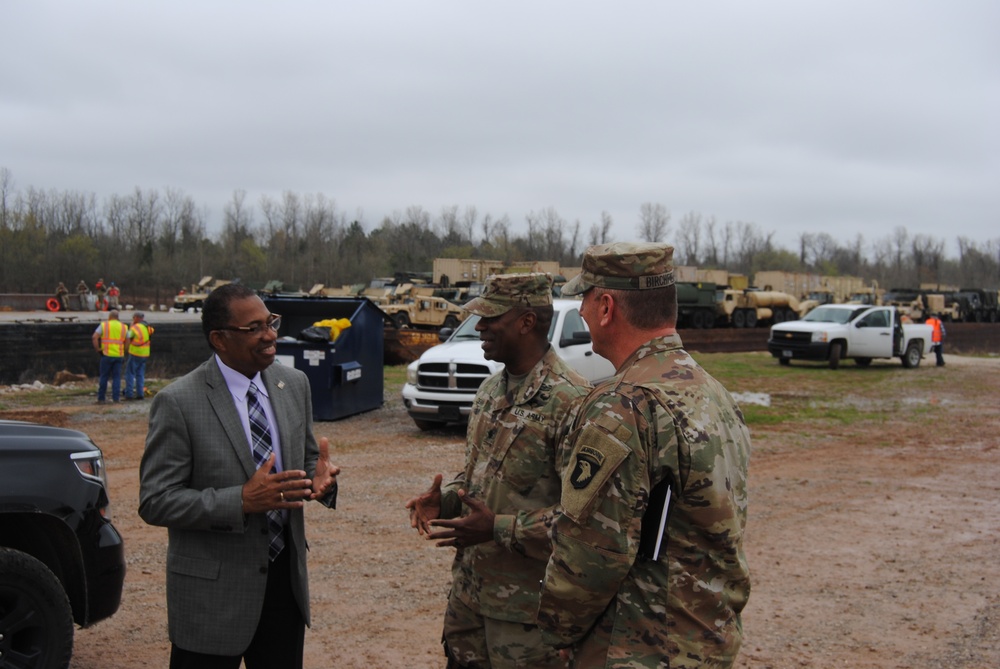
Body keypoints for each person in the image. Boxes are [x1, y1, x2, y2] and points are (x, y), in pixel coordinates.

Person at [536, 242, 752, 668]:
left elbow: (593, 554)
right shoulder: (713, 392)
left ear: (606, 306)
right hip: (704, 640)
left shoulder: (624, 404)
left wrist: (557, 631)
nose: (579, 310)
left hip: (638, 647)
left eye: (584, 297)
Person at [138, 282, 339, 668]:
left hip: (284, 588)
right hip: (212, 596)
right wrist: (241, 501)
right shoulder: (178, 402)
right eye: (254, 328)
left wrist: (322, 483)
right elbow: (155, 500)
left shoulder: (293, 384)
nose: (270, 335)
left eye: (271, 322)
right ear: (220, 339)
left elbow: (312, 460)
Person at [406, 272, 592, 669]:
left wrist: (498, 529)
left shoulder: (572, 403)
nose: (480, 326)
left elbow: (585, 523)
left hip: (528, 621)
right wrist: (447, 499)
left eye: (492, 317)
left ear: (526, 322)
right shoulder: (492, 390)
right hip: (470, 605)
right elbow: (480, 476)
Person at [91, 309, 128, 403]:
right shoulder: (124, 327)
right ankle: (116, 398)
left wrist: (97, 349)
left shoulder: (104, 325)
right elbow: (128, 340)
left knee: (104, 377)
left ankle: (101, 398)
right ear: (118, 317)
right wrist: (124, 350)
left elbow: (94, 337)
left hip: (106, 354)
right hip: (119, 355)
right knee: (116, 377)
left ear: (110, 317)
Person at [124, 311, 153, 400]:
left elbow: (128, 336)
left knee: (130, 373)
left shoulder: (135, 328)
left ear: (136, 318)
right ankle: (140, 394)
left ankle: (129, 394)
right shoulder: (148, 327)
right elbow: (150, 333)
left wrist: (131, 327)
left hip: (135, 353)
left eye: (133, 317)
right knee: (140, 374)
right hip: (145, 353)